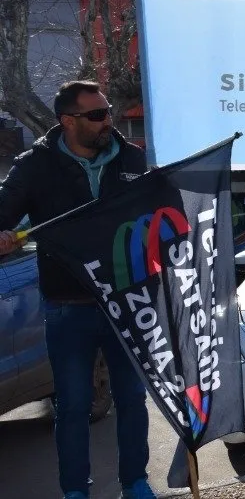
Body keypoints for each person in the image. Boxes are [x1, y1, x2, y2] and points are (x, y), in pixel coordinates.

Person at [0, 81, 154, 499]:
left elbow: (160, 211)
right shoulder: (34, 165)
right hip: (69, 307)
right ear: (68, 121)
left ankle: (136, 482)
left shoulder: (132, 158)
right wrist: (4, 234)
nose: (109, 121)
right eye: (97, 115)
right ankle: (74, 491)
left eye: (107, 111)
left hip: (126, 303)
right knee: (72, 407)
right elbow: (3, 212)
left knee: (132, 399)